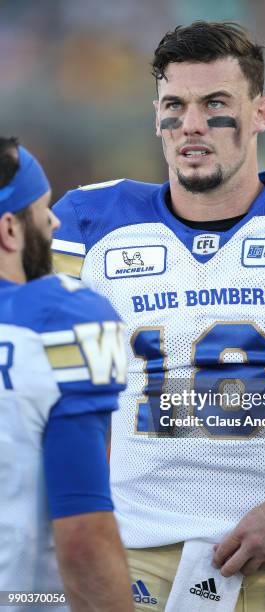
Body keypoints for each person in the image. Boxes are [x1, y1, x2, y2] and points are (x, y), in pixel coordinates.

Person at [52, 21, 265, 612]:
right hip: (126, 570)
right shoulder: (91, 225)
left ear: (261, 111)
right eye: (174, 105)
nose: (191, 124)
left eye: (215, 104)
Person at [0, 137, 135, 611]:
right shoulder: (61, 320)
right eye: (42, 209)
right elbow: (83, 539)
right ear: (10, 230)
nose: (55, 221)